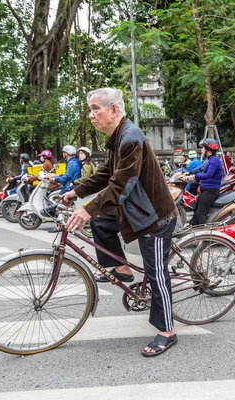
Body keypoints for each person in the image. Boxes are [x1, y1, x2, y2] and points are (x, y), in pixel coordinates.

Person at [62, 87, 178, 357]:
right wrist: (76, 191)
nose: (91, 115)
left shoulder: (130, 138)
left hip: (155, 217)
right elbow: (106, 174)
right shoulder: (117, 138)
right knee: (101, 222)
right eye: (90, 109)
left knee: (156, 271)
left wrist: (86, 210)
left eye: (95, 108)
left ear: (113, 110)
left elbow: (120, 185)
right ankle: (122, 268)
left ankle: (167, 331)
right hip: (135, 209)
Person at [185, 139, 223, 225]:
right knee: (195, 210)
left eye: (202, 147)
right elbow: (203, 172)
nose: (201, 149)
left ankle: (204, 234)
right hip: (206, 189)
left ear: (208, 149)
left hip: (211, 190)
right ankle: (193, 232)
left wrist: (194, 176)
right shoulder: (209, 159)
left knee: (200, 213)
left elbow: (208, 175)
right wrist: (193, 177)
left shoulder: (214, 160)